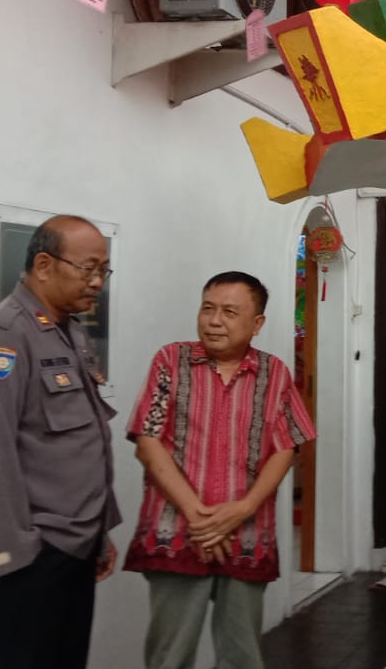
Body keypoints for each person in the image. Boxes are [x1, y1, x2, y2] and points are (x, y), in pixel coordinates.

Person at [0, 214, 121, 669]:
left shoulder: (69, 331)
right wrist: (17, 556)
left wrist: (97, 533)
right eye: (88, 268)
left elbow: (78, 443)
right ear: (44, 265)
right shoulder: (1, 338)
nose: (97, 282)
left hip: (73, 547)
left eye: (104, 270)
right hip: (29, 556)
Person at [123, 271, 315, 669]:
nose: (214, 321)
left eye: (229, 312)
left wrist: (243, 509)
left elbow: (287, 447)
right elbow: (147, 440)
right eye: (207, 308)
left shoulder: (274, 373)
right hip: (176, 534)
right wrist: (199, 518)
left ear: (257, 323)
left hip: (247, 536)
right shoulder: (170, 360)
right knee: (170, 658)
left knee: (242, 657)